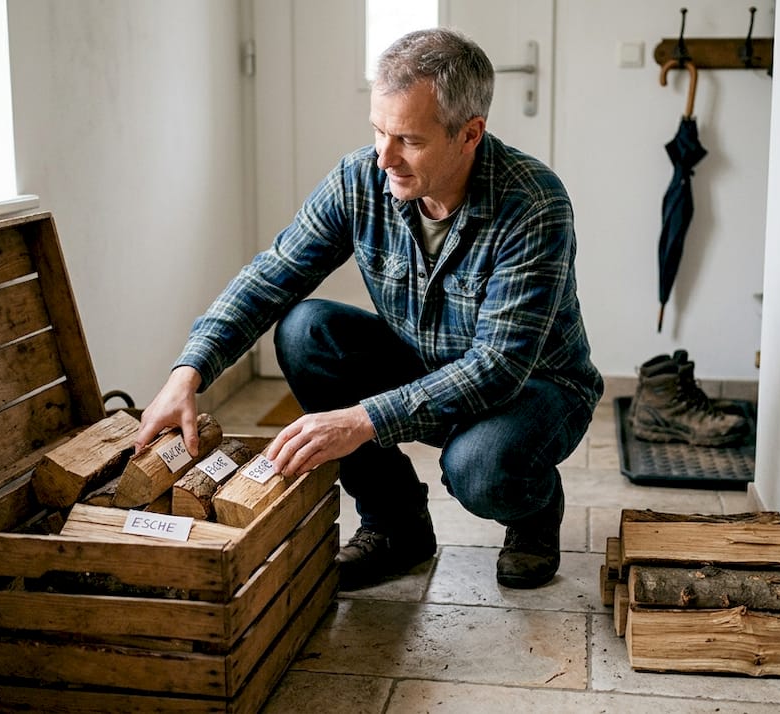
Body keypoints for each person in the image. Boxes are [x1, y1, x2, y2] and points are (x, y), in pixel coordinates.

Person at [135, 28, 602, 590]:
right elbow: (272, 276)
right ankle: (396, 524)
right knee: (306, 329)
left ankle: (533, 512)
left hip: (535, 389)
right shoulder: (362, 178)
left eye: (408, 138)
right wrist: (188, 371)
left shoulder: (534, 205)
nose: (384, 156)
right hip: (427, 365)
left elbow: (496, 368)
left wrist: (362, 420)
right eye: (378, 131)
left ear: (469, 134)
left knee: (477, 468)